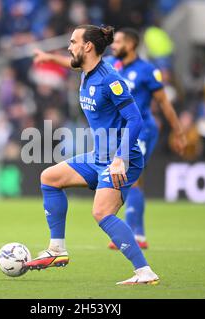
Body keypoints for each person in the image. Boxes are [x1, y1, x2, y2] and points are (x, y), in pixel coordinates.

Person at [25, 25, 161, 285]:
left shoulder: (110, 78)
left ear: (88, 46)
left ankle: (145, 272)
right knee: (49, 177)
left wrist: (120, 158)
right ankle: (57, 250)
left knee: (101, 212)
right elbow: (71, 63)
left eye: (73, 41)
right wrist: (49, 58)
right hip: (99, 154)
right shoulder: (87, 68)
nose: (69, 46)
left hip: (122, 157)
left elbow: (135, 120)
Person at [33, 28, 186, 250]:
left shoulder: (147, 71)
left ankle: (135, 233)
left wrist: (178, 130)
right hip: (113, 135)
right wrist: (50, 58)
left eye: (120, 42)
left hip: (140, 129)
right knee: (129, 181)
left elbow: (162, 102)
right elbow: (76, 62)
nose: (115, 46)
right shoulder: (108, 64)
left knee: (132, 177)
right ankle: (129, 230)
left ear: (132, 44)